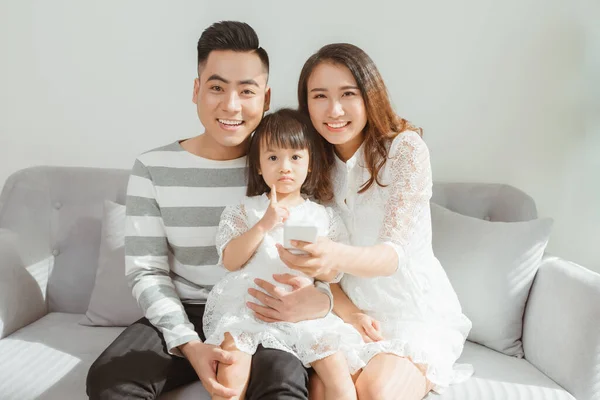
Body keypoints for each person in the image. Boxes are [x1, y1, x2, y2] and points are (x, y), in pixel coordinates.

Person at [85, 21, 333, 400]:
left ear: (265, 99)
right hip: (182, 309)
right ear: (197, 90)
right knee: (110, 381)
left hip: (260, 307)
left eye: (246, 91)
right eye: (217, 87)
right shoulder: (153, 167)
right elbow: (146, 271)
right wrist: (187, 342)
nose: (231, 105)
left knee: (282, 385)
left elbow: (324, 247)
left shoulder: (285, 167)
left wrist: (320, 299)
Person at [252, 43, 473, 400]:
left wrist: (332, 256)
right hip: (348, 314)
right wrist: (340, 306)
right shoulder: (310, 163)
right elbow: (323, 270)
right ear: (306, 104)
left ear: (369, 95)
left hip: (411, 313)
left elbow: (392, 255)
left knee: (377, 392)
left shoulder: (405, 150)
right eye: (319, 96)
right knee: (326, 391)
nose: (334, 110)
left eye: (348, 94)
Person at [202, 108, 363, 400]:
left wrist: (315, 261)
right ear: (259, 166)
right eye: (273, 157)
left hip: (305, 313)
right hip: (248, 307)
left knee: (339, 379)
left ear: (310, 164)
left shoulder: (321, 216)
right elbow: (230, 260)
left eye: (296, 157)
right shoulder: (245, 209)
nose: (285, 167)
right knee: (229, 376)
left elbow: (333, 273)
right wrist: (264, 224)